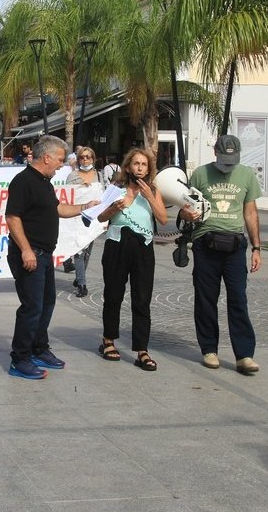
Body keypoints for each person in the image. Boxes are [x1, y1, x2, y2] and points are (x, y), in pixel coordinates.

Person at [5, 135, 98, 380]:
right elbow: (12, 218)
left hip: (45, 254)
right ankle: (20, 358)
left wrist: (84, 207)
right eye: (59, 159)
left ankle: (39, 348)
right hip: (30, 254)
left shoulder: (45, 182)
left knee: (47, 304)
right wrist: (25, 249)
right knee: (31, 307)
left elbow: (57, 208)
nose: (62, 164)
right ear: (46, 157)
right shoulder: (23, 181)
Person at [180, 135, 262, 374]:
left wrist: (257, 248)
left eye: (232, 160)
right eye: (224, 159)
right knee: (206, 298)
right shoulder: (200, 175)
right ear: (215, 153)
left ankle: (244, 355)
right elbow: (185, 208)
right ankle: (209, 349)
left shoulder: (247, 175)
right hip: (206, 243)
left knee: (238, 298)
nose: (228, 165)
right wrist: (188, 215)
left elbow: (251, 213)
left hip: (235, 245)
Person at [95, 148, 168, 371]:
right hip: (117, 243)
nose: (139, 168)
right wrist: (114, 208)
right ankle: (108, 340)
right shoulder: (116, 189)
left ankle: (142, 349)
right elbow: (100, 216)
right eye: (136, 163)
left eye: (144, 165)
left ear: (149, 169)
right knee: (114, 294)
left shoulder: (153, 190)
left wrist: (149, 198)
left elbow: (163, 219)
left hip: (143, 246)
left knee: (142, 298)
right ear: (128, 166)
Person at [65, 146, 105, 297]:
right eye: (82, 157)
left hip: (94, 220)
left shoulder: (99, 176)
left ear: (93, 159)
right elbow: (67, 198)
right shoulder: (72, 177)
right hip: (77, 218)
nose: (85, 159)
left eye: (88, 157)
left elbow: (103, 197)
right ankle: (82, 284)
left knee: (87, 252)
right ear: (78, 159)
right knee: (79, 251)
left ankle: (79, 276)